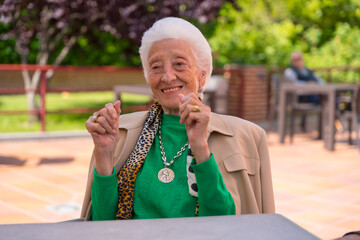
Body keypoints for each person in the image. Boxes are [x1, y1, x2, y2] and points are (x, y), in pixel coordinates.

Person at [80, 17, 275, 221]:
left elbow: (222, 223)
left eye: (179, 64)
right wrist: (103, 154)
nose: (168, 76)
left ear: (202, 75)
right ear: (148, 77)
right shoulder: (118, 133)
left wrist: (199, 146)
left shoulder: (245, 136)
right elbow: (102, 223)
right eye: (156, 67)